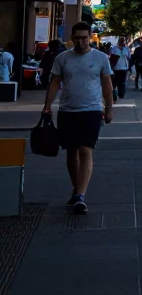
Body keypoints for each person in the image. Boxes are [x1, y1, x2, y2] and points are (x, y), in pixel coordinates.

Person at [41, 21, 114, 215]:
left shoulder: (100, 58)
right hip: (67, 110)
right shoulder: (62, 58)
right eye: (77, 38)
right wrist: (47, 105)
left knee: (85, 150)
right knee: (71, 151)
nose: (80, 41)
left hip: (91, 110)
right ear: (71, 38)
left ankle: (81, 196)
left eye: (84, 37)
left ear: (90, 37)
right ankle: (76, 188)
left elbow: (107, 85)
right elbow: (55, 83)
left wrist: (109, 108)